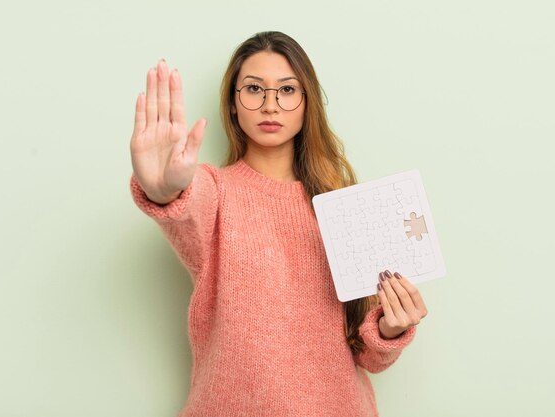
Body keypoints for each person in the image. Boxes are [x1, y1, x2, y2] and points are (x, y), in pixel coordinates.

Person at [129, 31, 428, 417]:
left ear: (307, 105)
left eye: (287, 90)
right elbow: (185, 206)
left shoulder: (344, 205)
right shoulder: (214, 192)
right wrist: (165, 189)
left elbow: (370, 357)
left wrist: (390, 329)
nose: (271, 104)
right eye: (254, 89)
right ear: (234, 104)